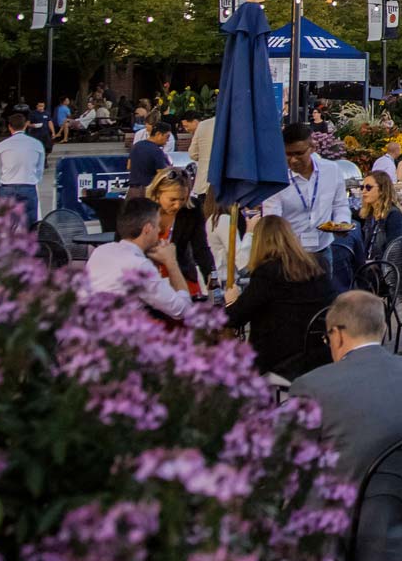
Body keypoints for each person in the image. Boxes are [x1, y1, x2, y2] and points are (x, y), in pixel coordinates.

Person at [292, 291, 402, 561]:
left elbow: (290, 461)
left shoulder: (312, 386)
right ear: (383, 329)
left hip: (344, 534)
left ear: (338, 336)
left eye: (328, 340)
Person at [224, 214, 336, 376]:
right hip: (319, 353)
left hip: (278, 359)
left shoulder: (267, 273)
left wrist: (231, 301)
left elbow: (236, 316)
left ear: (259, 243)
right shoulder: (318, 265)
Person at [86, 195, 194, 320]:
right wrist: (171, 262)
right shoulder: (139, 265)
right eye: (158, 225)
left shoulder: (101, 251)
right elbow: (183, 311)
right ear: (147, 229)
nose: (159, 230)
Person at [263, 123, 352, 256]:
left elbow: (340, 204)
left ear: (312, 148)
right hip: (289, 253)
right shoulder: (276, 179)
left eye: (299, 153)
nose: (293, 160)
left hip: (322, 249)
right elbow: (272, 217)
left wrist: (342, 223)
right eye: (288, 154)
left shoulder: (332, 170)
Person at [147, 170, 216, 294]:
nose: (177, 205)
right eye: (172, 199)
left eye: (182, 199)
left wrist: (211, 276)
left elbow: (201, 248)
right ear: (158, 193)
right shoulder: (142, 210)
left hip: (181, 273)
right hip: (148, 277)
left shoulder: (192, 210)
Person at [0, 109, 47, 223]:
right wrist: (35, 180)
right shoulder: (37, 144)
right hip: (28, 185)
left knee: (4, 223)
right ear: (25, 126)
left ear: (9, 127)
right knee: (30, 223)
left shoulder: (2, 145)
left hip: (7, 186)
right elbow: (40, 168)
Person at [354, 168, 402, 266]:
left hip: (386, 270)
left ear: (381, 190)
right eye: (362, 187)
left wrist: (371, 264)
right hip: (369, 265)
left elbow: (392, 252)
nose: (363, 191)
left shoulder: (394, 215)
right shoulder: (371, 213)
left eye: (368, 187)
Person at [126, 121, 175, 194]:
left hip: (132, 190)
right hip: (148, 191)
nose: (167, 140)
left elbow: (129, 166)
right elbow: (162, 174)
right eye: (167, 136)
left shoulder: (136, 146)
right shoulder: (157, 151)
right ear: (158, 134)